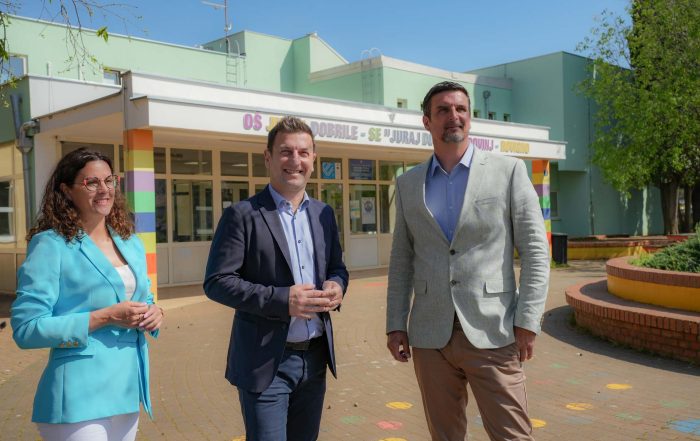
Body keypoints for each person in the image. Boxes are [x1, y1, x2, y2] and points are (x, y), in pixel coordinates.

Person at [386, 81, 550, 441]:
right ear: (427, 121)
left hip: (494, 330)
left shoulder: (508, 171)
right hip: (430, 336)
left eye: (461, 109)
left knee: (512, 435)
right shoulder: (408, 184)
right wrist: (395, 323)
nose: (454, 116)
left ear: (470, 117)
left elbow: (536, 251)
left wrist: (528, 320)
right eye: (443, 110)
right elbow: (401, 261)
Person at [204, 116, 349, 441]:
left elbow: (337, 268)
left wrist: (337, 285)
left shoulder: (323, 214)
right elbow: (217, 281)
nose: (295, 160)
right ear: (268, 157)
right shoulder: (243, 215)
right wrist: (283, 300)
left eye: (303, 152)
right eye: (286, 151)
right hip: (266, 363)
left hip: (314, 359)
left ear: (313, 159)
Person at [11, 148, 164, 441]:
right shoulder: (50, 245)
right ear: (67, 191)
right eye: (91, 182)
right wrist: (105, 317)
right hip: (78, 396)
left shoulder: (130, 242)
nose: (104, 190)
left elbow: (144, 298)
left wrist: (155, 312)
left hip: (127, 390)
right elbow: (26, 329)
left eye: (109, 180)